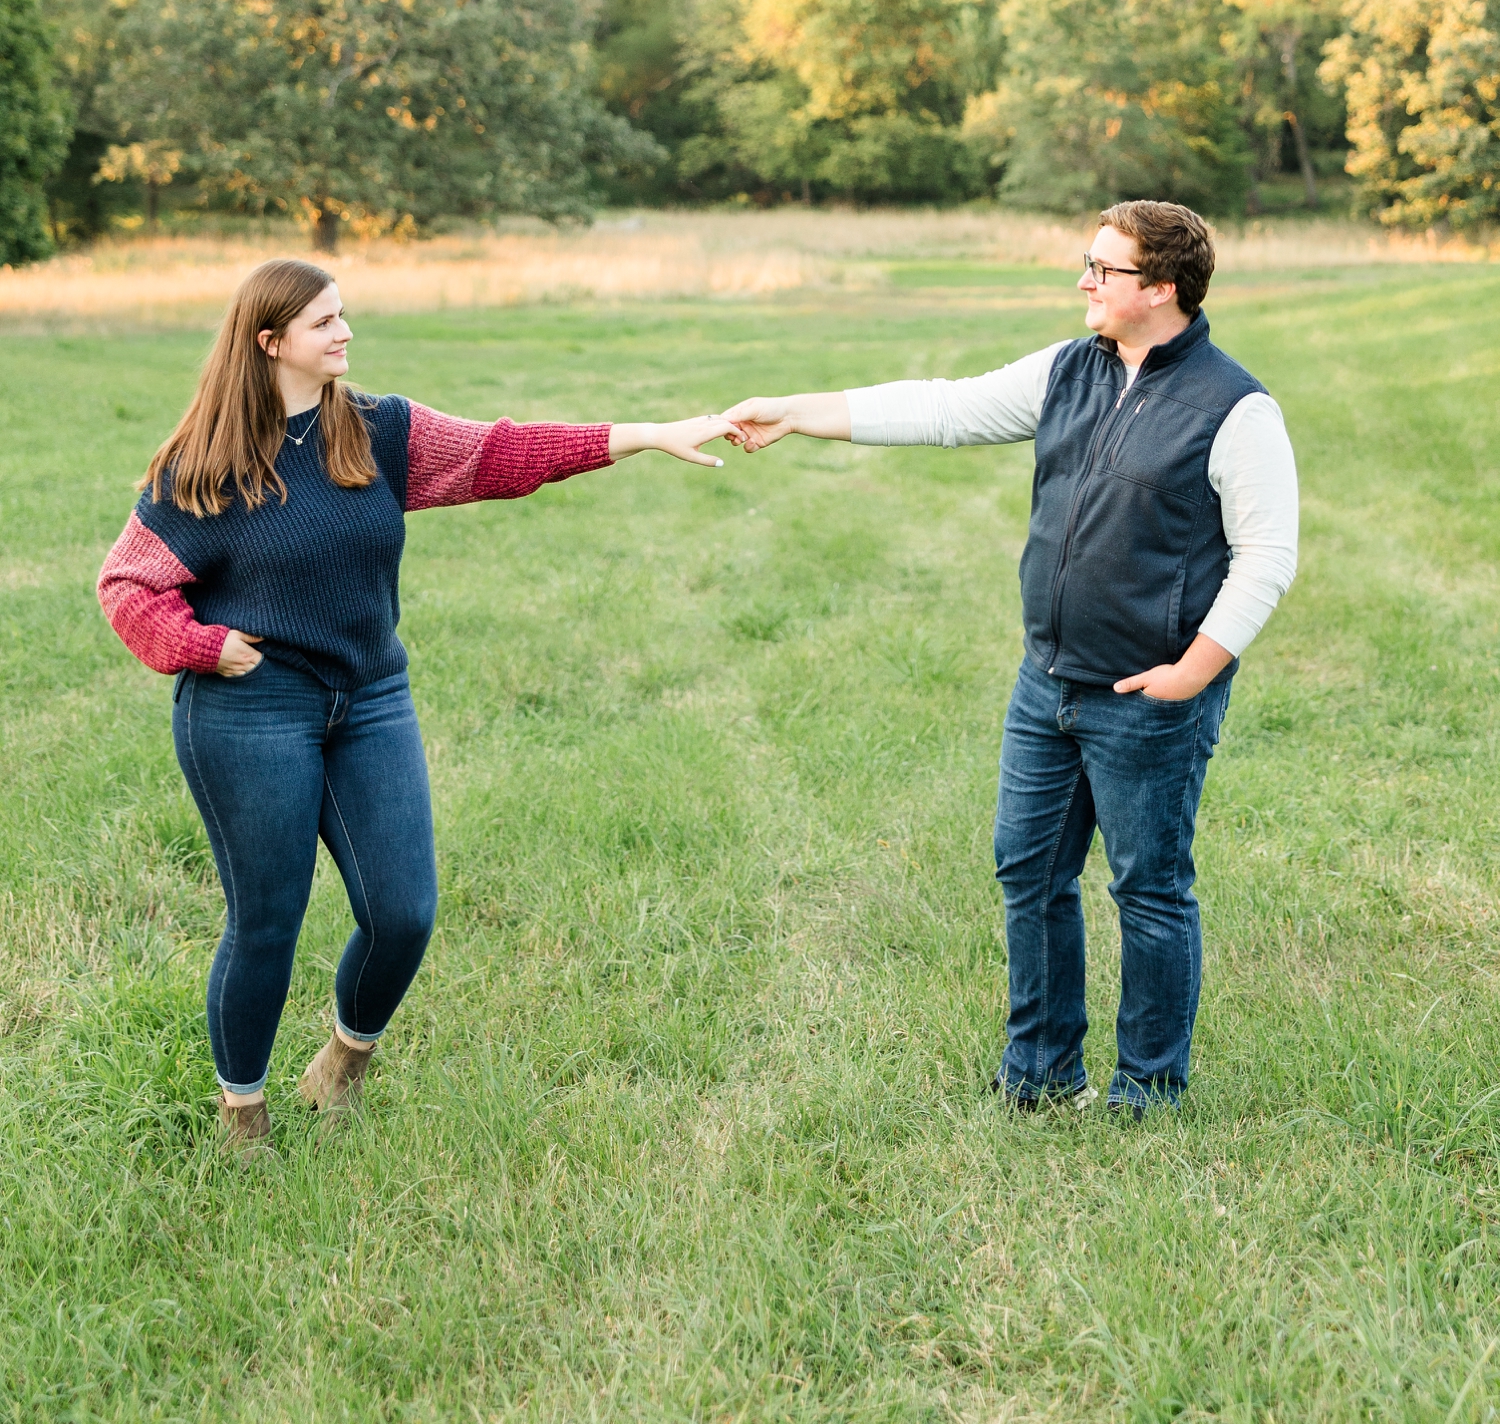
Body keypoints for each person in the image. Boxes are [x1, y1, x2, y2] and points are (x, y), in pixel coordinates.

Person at [98, 256, 733, 1156]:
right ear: (269, 341)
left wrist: (643, 433)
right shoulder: (205, 466)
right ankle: (242, 1111)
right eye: (325, 323)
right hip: (252, 710)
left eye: (344, 314)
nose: (346, 332)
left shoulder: (379, 433)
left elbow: (502, 453)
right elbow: (128, 586)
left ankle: (344, 1062)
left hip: (370, 697)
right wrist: (202, 645)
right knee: (267, 921)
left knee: (403, 912)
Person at [723, 199, 1298, 1115]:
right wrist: (795, 412)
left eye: (1102, 270)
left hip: (1147, 697)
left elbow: (1269, 554)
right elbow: (944, 409)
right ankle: (1039, 1075)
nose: (1083, 280)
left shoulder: (1235, 407)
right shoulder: (1070, 370)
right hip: (1047, 684)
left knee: (1148, 891)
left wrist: (1192, 672)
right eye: (1087, 261)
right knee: (1029, 873)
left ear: (1160, 287)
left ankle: (1148, 1089)